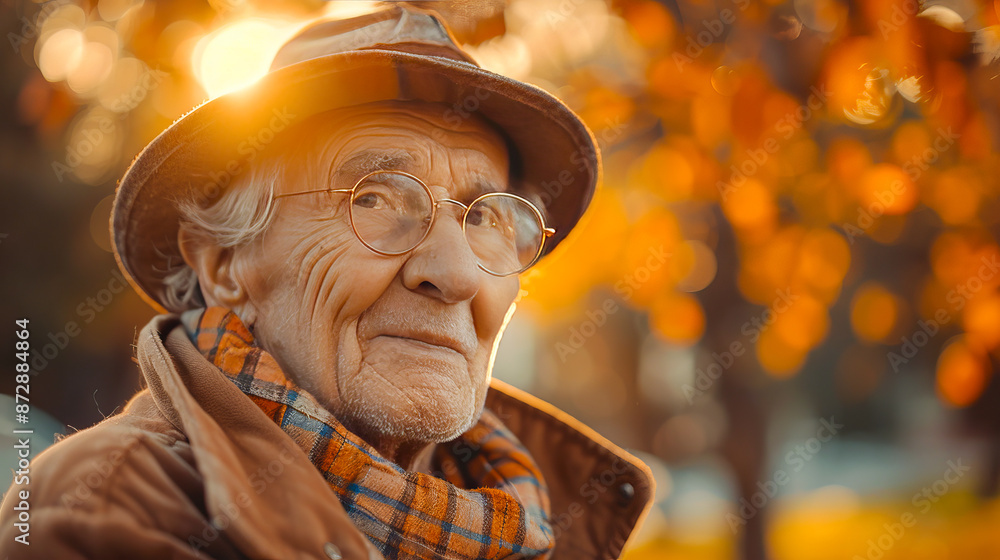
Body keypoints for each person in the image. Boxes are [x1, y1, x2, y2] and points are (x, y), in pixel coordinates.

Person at [0, 6, 653, 559]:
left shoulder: (523, 518)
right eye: (374, 198)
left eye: (484, 218)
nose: (455, 274)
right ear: (223, 266)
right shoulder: (112, 503)